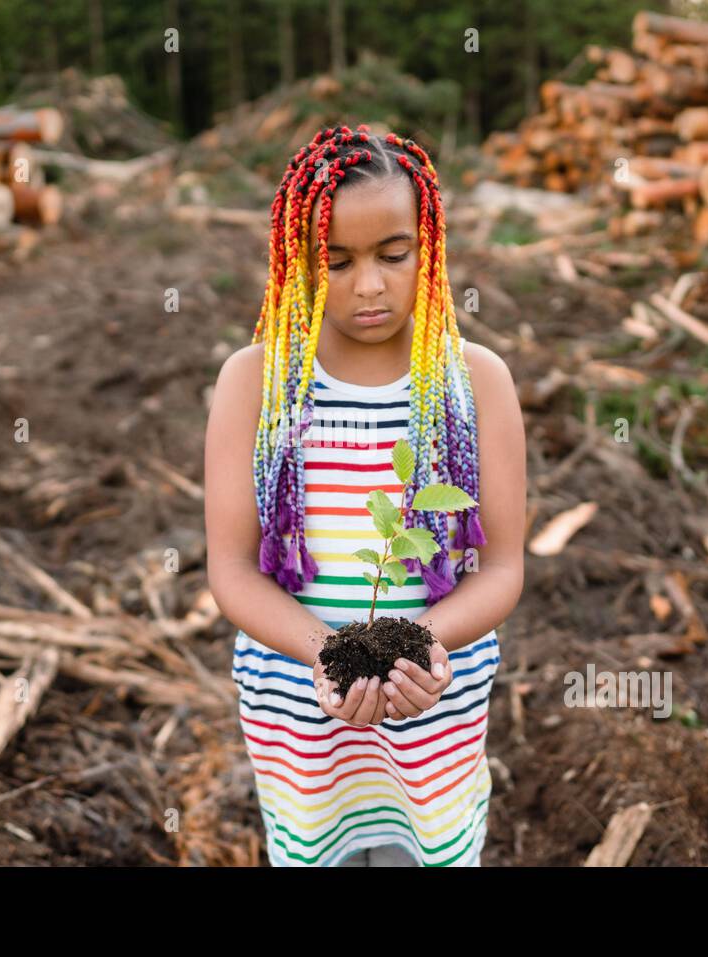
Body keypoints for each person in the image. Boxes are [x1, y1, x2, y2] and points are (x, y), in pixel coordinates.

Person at [205, 124, 526, 866]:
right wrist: (328, 654)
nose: (370, 285)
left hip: (434, 708)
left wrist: (429, 649)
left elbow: (504, 566)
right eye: (337, 262)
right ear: (297, 261)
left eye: (392, 254)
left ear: (430, 247)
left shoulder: (475, 382)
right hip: (300, 717)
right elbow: (230, 569)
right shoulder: (255, 382)